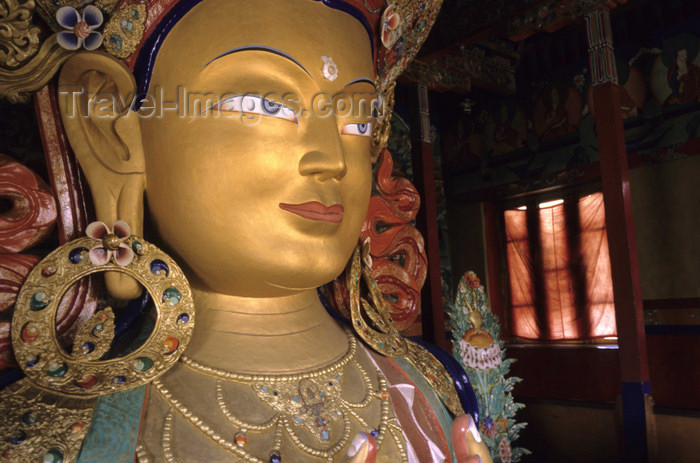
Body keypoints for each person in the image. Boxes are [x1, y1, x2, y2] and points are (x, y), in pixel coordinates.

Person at [2, 0, 492, 461]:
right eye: (265, 104)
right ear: (111, 129)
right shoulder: (50, 435)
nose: (331, 159)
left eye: (357, 118)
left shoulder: (431, 386)